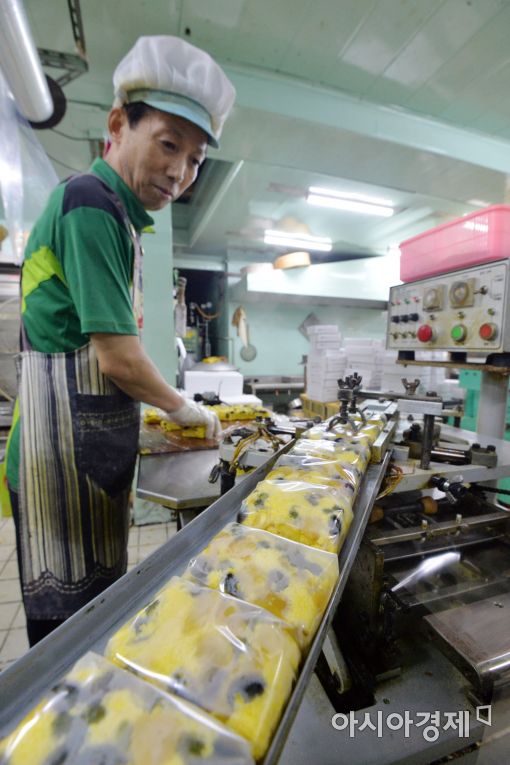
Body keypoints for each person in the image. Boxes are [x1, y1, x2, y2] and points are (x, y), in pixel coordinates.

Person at [5, 35, 236, 646]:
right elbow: (118, 358)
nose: (180, 172)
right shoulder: (90, 204)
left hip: (85, 452)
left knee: (94, 616)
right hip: (58, 457)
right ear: (117, 125)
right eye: (168, 144)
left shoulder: (121, 218)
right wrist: (182, 408)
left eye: (195, 160)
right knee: (67, 636)